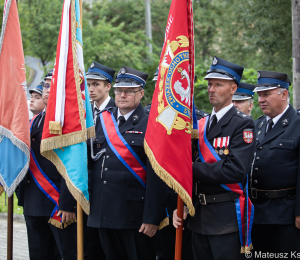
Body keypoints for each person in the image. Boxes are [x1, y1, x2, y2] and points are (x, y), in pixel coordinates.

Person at [173, 56, 256, 260]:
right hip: (198, 215)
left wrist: (190, 168)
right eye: (210, 84)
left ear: (233, 89)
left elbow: (234, 170)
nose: (211, 89)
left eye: (218, 84)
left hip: (225, 218)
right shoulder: (201, 124)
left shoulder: (242, 124)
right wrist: (183, 204)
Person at [87, 66, 167, 260]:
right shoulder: (101, 120)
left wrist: (151, 218)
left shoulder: (151, 124)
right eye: (119, 90)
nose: (122, 95)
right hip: (103, 211)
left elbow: (157, 176)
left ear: (140, 93)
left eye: (129, 91)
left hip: (134, 214)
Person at [22, 70, 77, 260]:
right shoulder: (34, 121)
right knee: (38, 254)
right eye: (45, 85)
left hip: (58, 204)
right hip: (33, 201)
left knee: (65, 253)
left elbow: (73, 164)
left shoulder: (68, 122)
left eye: (52, 85)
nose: (47, 90)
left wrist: (68, 203)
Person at [250, 71, 300, 256]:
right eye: (259, 95)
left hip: (285, 215)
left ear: (284, 94)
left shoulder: (297, 124)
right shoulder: (258, 125)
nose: (261, 99)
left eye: (266, 94)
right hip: (257, 214)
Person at [84, 61, 116, 260]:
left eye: (96, 84)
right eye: (88, 84)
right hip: (89, 192)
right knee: (90, 250)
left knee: (109, 250)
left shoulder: (116, 111)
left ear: (108, 87)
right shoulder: (86, 113)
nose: (91, 89)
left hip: (111, 195)